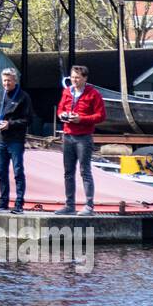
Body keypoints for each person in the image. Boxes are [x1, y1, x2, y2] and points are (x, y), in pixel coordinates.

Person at [55, 65, 105, 215]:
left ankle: (89, 206)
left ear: (85, 78)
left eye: (77, 78)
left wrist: (81, 119)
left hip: (83, 137)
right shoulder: (66, 91)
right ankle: (69, 205)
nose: (74, 80)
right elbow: (60, 109)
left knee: (85, 171)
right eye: (72, 77)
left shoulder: (93, 94)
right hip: (68, 135)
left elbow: (101, 116)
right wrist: (62, 115)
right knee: (68, 172)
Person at [0, 68, 31, 214]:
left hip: (16, 140)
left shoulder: (23, 97)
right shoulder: (0, 95)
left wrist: (10, 124)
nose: (6, 83)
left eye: (9, 80)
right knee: (1, 172)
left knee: (18, 171)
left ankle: (19, 204)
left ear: (15, 81)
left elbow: (27, 120)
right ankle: (3, 203)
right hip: (1, 139)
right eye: (4, 80)